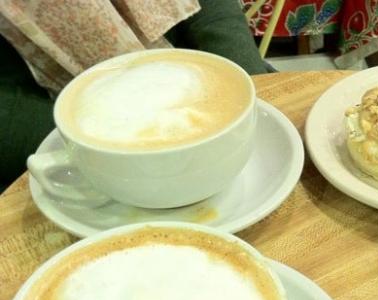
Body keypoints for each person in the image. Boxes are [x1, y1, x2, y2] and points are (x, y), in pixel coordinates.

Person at [0, 0, 268, 188]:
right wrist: (101, 150)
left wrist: (252, 84)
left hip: (207, 74)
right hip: (57, 134)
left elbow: (212, 10)